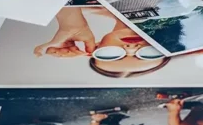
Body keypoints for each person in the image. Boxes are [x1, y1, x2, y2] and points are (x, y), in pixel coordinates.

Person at [34, 6, 170, 79]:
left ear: (97, 46)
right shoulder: (180, 9)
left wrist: (71, 24)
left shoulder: (77, 9)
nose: (130, 48)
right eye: (150, 54)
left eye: (111, 54)